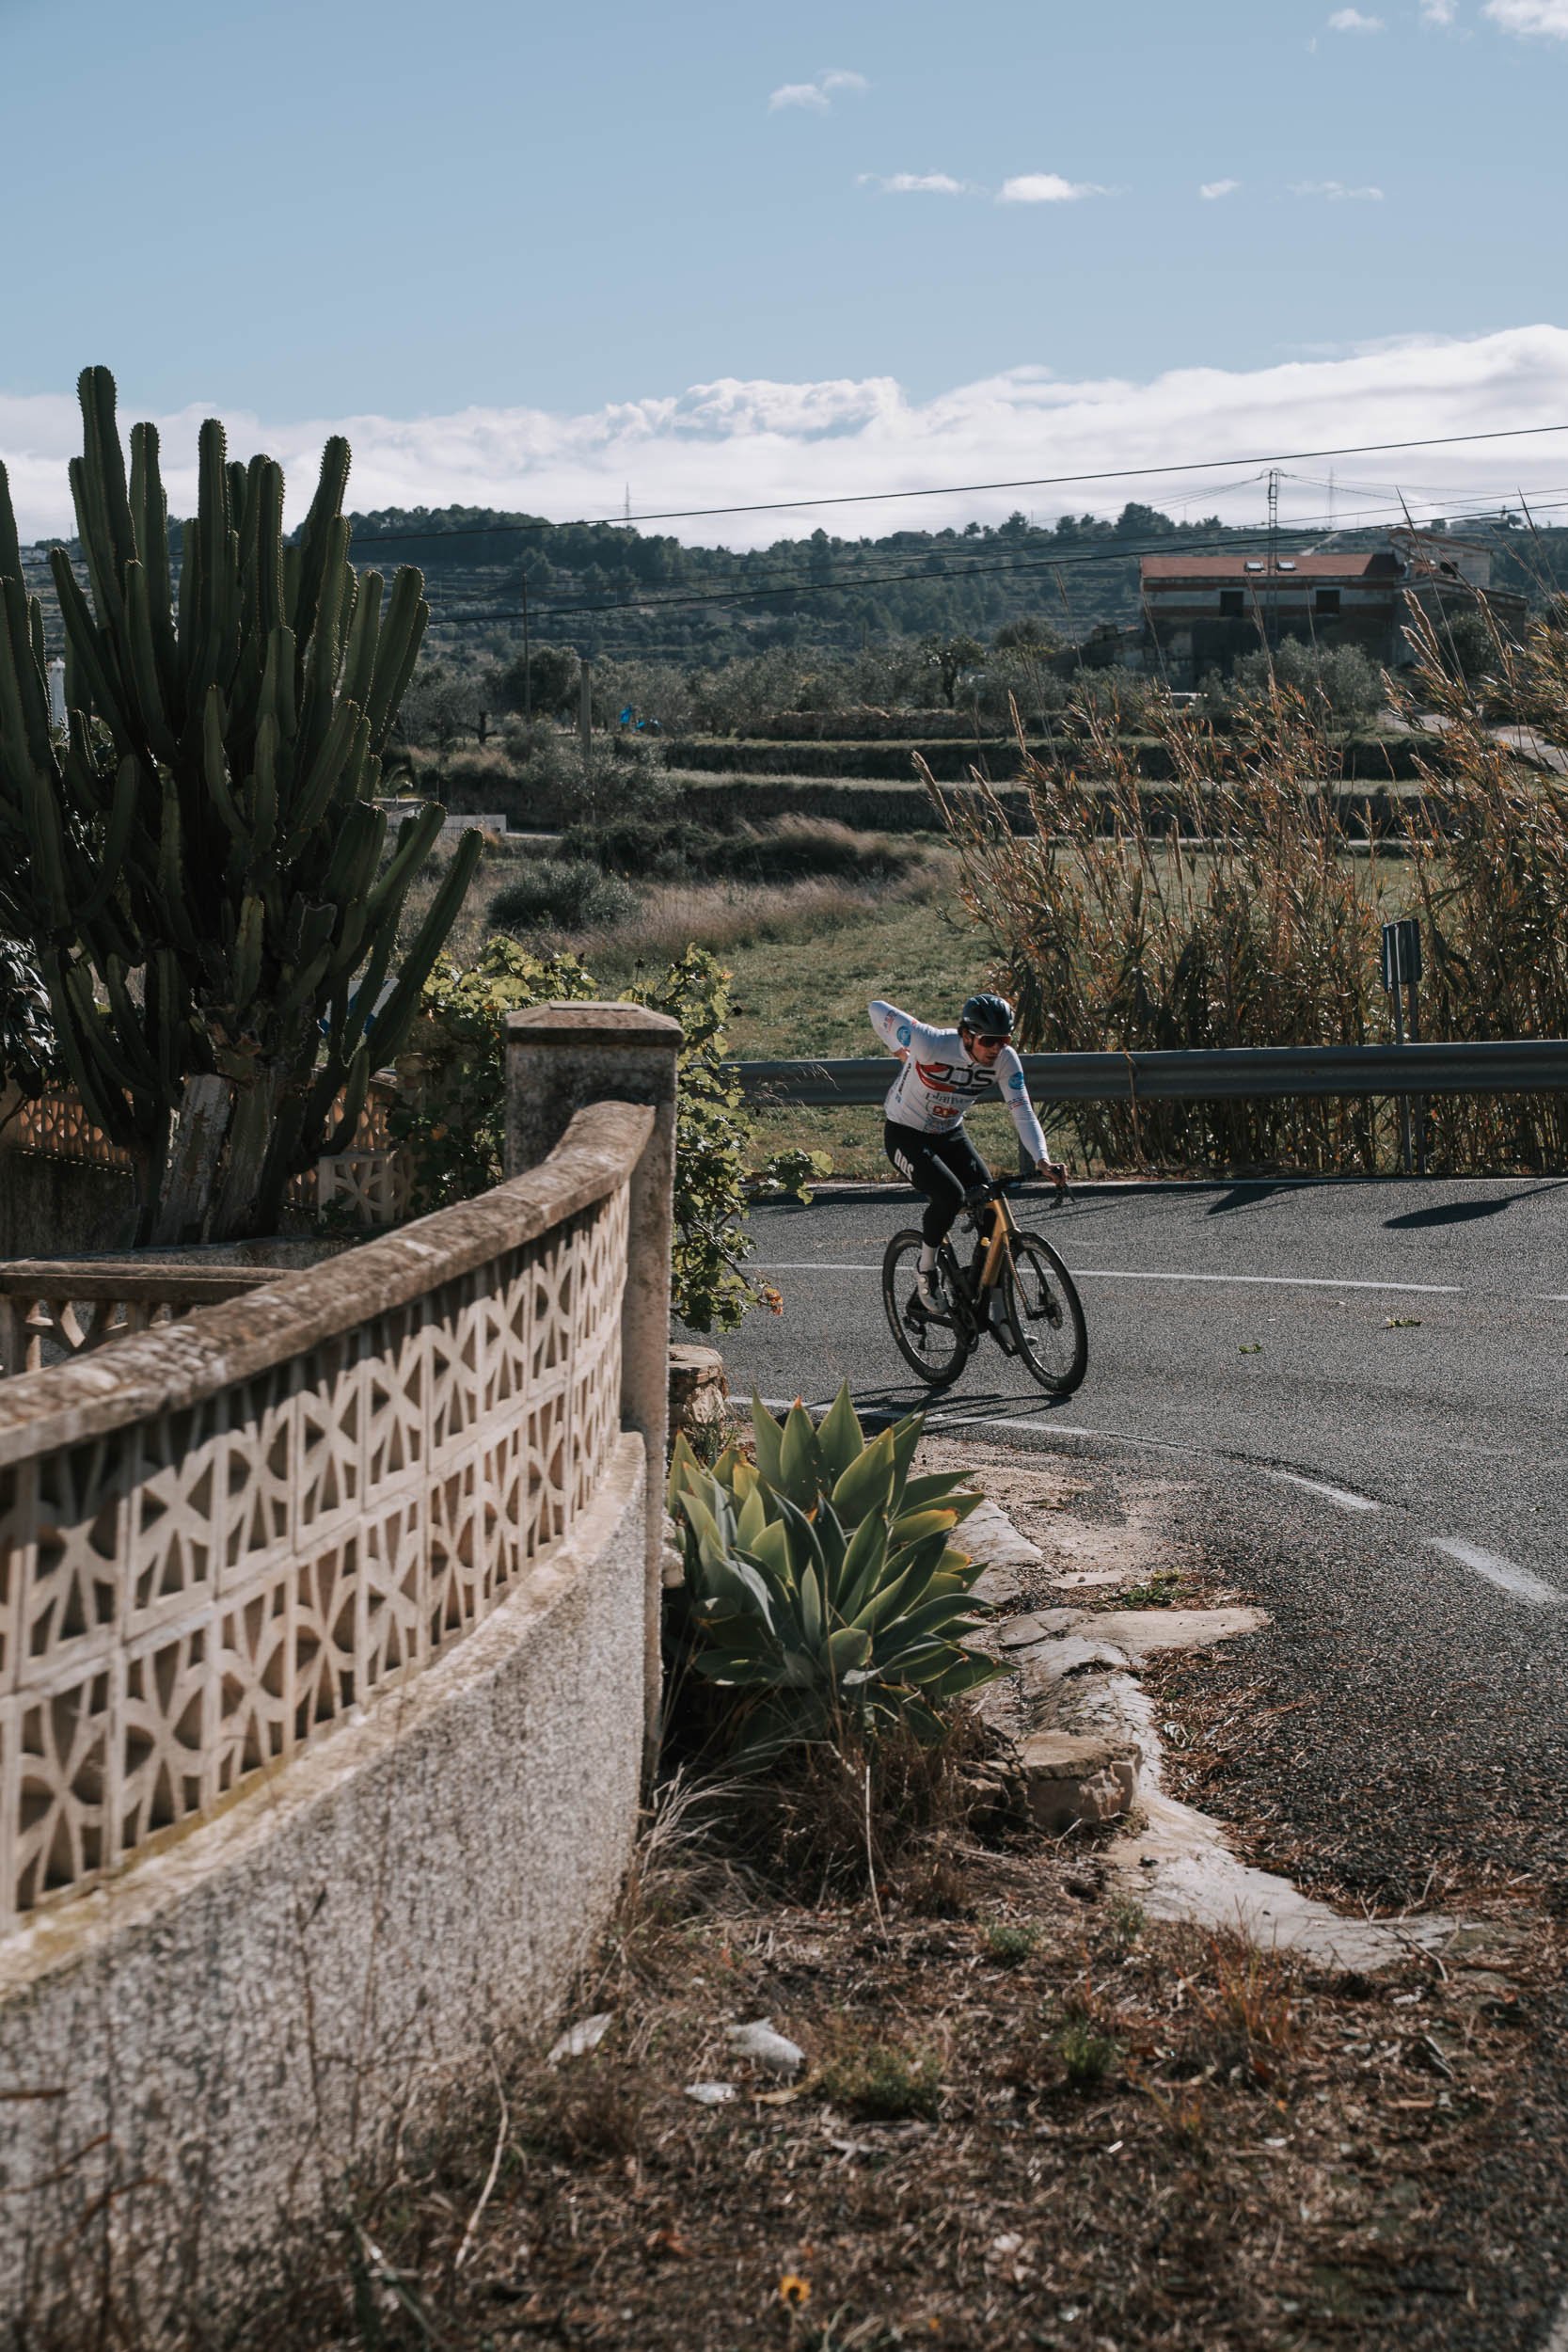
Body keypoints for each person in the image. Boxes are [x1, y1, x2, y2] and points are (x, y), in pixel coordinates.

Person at [869, 990, 1066, 1319]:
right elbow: (877, 1009)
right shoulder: (930, 1043)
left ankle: (996, 1311)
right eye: (989, 1040)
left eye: (1003, 1040)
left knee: (993, 1212)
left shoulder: (1005, 1059)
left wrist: (1041, 1159)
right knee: (949, 1196)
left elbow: (1021, 1109)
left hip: (949, 1133)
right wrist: (901, 1052)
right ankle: (927, 1271)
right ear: (967, 1034)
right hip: (906, 1134)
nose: (996, 1049)